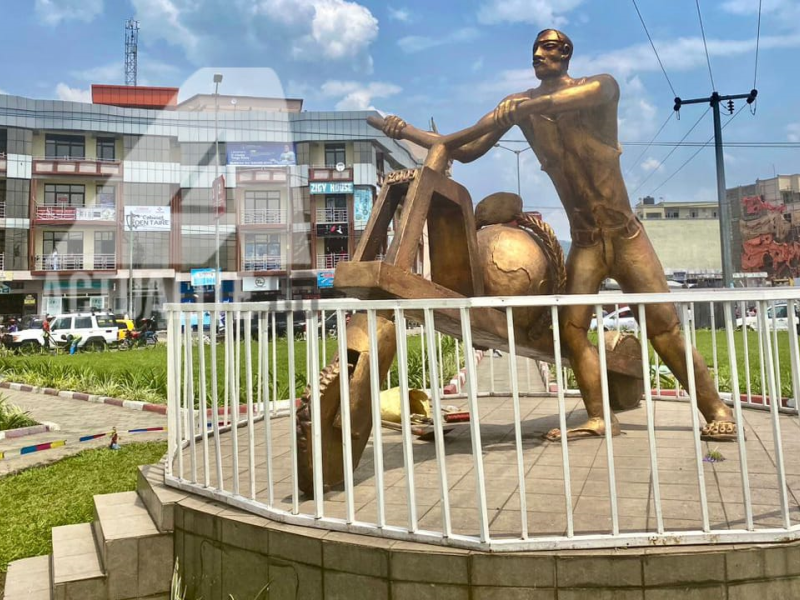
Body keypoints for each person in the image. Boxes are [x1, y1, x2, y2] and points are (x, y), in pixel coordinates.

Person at [380, 29, 735, 441]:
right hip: (585, 243)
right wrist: (403, 129)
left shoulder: (599, 87)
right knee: (572, 331)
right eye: (534, 49)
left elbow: (558, 101)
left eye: (547, 47)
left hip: (625, 237)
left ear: (566, 53)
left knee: (663, 327)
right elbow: (461, 147)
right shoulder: (520, 108)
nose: (538, 54)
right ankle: (601, 417)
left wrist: (520, 108)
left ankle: (716, 410)